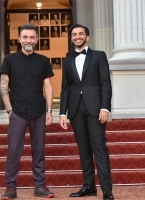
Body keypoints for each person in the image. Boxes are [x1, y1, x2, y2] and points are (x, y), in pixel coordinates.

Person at [0, 23, 55, 199]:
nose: (28, 40)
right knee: (14, 150)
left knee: (39, 151)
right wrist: (9, 110)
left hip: (39, 112)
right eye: (25, 37)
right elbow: (3, 86)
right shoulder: (9, 59)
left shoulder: (43, 61)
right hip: (18, 112)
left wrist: (49, 110)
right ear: (20, 39)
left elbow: (48, 87)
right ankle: (10, 187)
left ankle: (40, 186)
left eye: (32, 37)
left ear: (37, 39)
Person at [59, 24, 114, 200]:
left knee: (99, 148)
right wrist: (62, 113)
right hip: (76, 110)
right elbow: (65, 88)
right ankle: (89, 187)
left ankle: (107, 190)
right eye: (74, 34)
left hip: (96, 109)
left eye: (81, 34)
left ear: (87, 37)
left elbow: (106, 83)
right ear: (71, 37)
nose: (77, 36)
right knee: (83, 150)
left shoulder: (99, 56)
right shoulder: (67, 60)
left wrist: (105, 107)